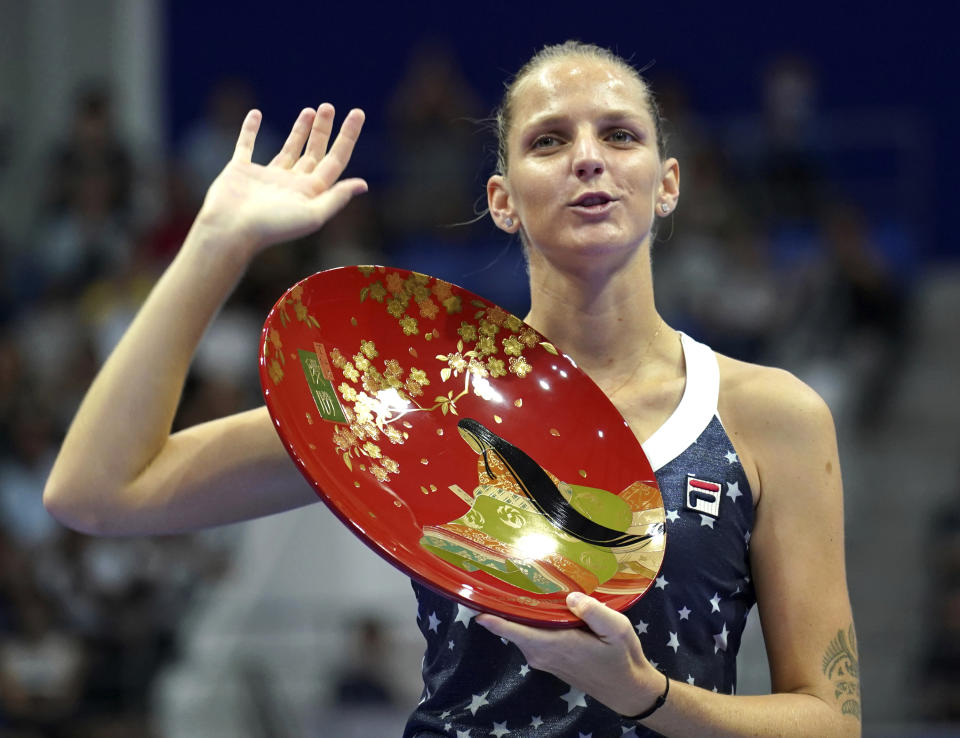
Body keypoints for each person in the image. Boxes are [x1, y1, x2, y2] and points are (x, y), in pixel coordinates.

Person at [43, 41, 860, 737]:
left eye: (619, 134)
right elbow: (99, 491)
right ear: (502, 201)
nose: (588, 157)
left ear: (667, 182)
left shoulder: (769, 416)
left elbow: (832, 720)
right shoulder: (410, 397)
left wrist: (648, 698)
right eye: (548, 140)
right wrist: (216, 246)